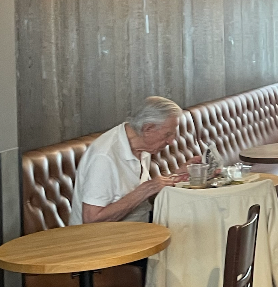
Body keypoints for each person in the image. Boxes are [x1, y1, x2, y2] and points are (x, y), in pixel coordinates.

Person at [71, 96, 190, 224]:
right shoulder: (104, 158)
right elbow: (91, 220)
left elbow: (140, 198)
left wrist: (175, 177)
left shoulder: (142, 146)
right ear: (148, 129)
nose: (172, 141)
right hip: (106, 239)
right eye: (167, 134)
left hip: (141, 226)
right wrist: (146, 190)